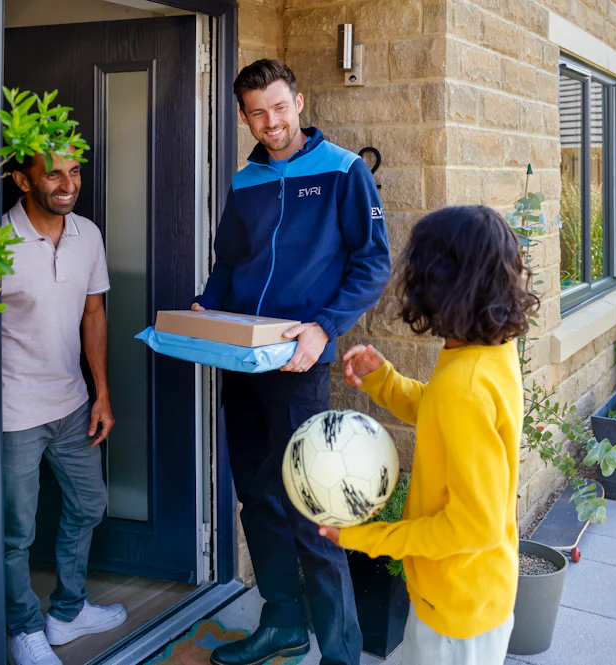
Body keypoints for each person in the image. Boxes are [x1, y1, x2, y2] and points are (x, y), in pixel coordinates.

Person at [192, 59, 391, 665]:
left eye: (279, 107)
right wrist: (204, 306)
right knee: (257, 495)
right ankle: (282, 623)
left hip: (299, 368)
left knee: (313, 505)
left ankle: (341, 653)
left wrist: (323, 329)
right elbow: (230, 266)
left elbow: (372, 263)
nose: (270, 121)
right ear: (245, 116)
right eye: (256, 112)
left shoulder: (342, 171)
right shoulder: (243, 181)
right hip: (240, 365)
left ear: (299, 103)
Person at [323, 205, 537, 665]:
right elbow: (440, 412)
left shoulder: (467, 386)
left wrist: (368, 537)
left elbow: (471, 525)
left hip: (457, 616)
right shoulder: (487, 353)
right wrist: (384, 380)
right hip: (468, 594)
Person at [1, 150, 126, 665]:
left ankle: (68, 612)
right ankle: (22, 626)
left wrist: (102, 392)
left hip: (73, 403)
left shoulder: (87, 235)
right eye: (53, 172)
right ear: (21, 180)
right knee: (15, 530)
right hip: (13, 410)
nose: (67, 183)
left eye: (74, 171)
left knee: (88, 504)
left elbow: (93, 313)